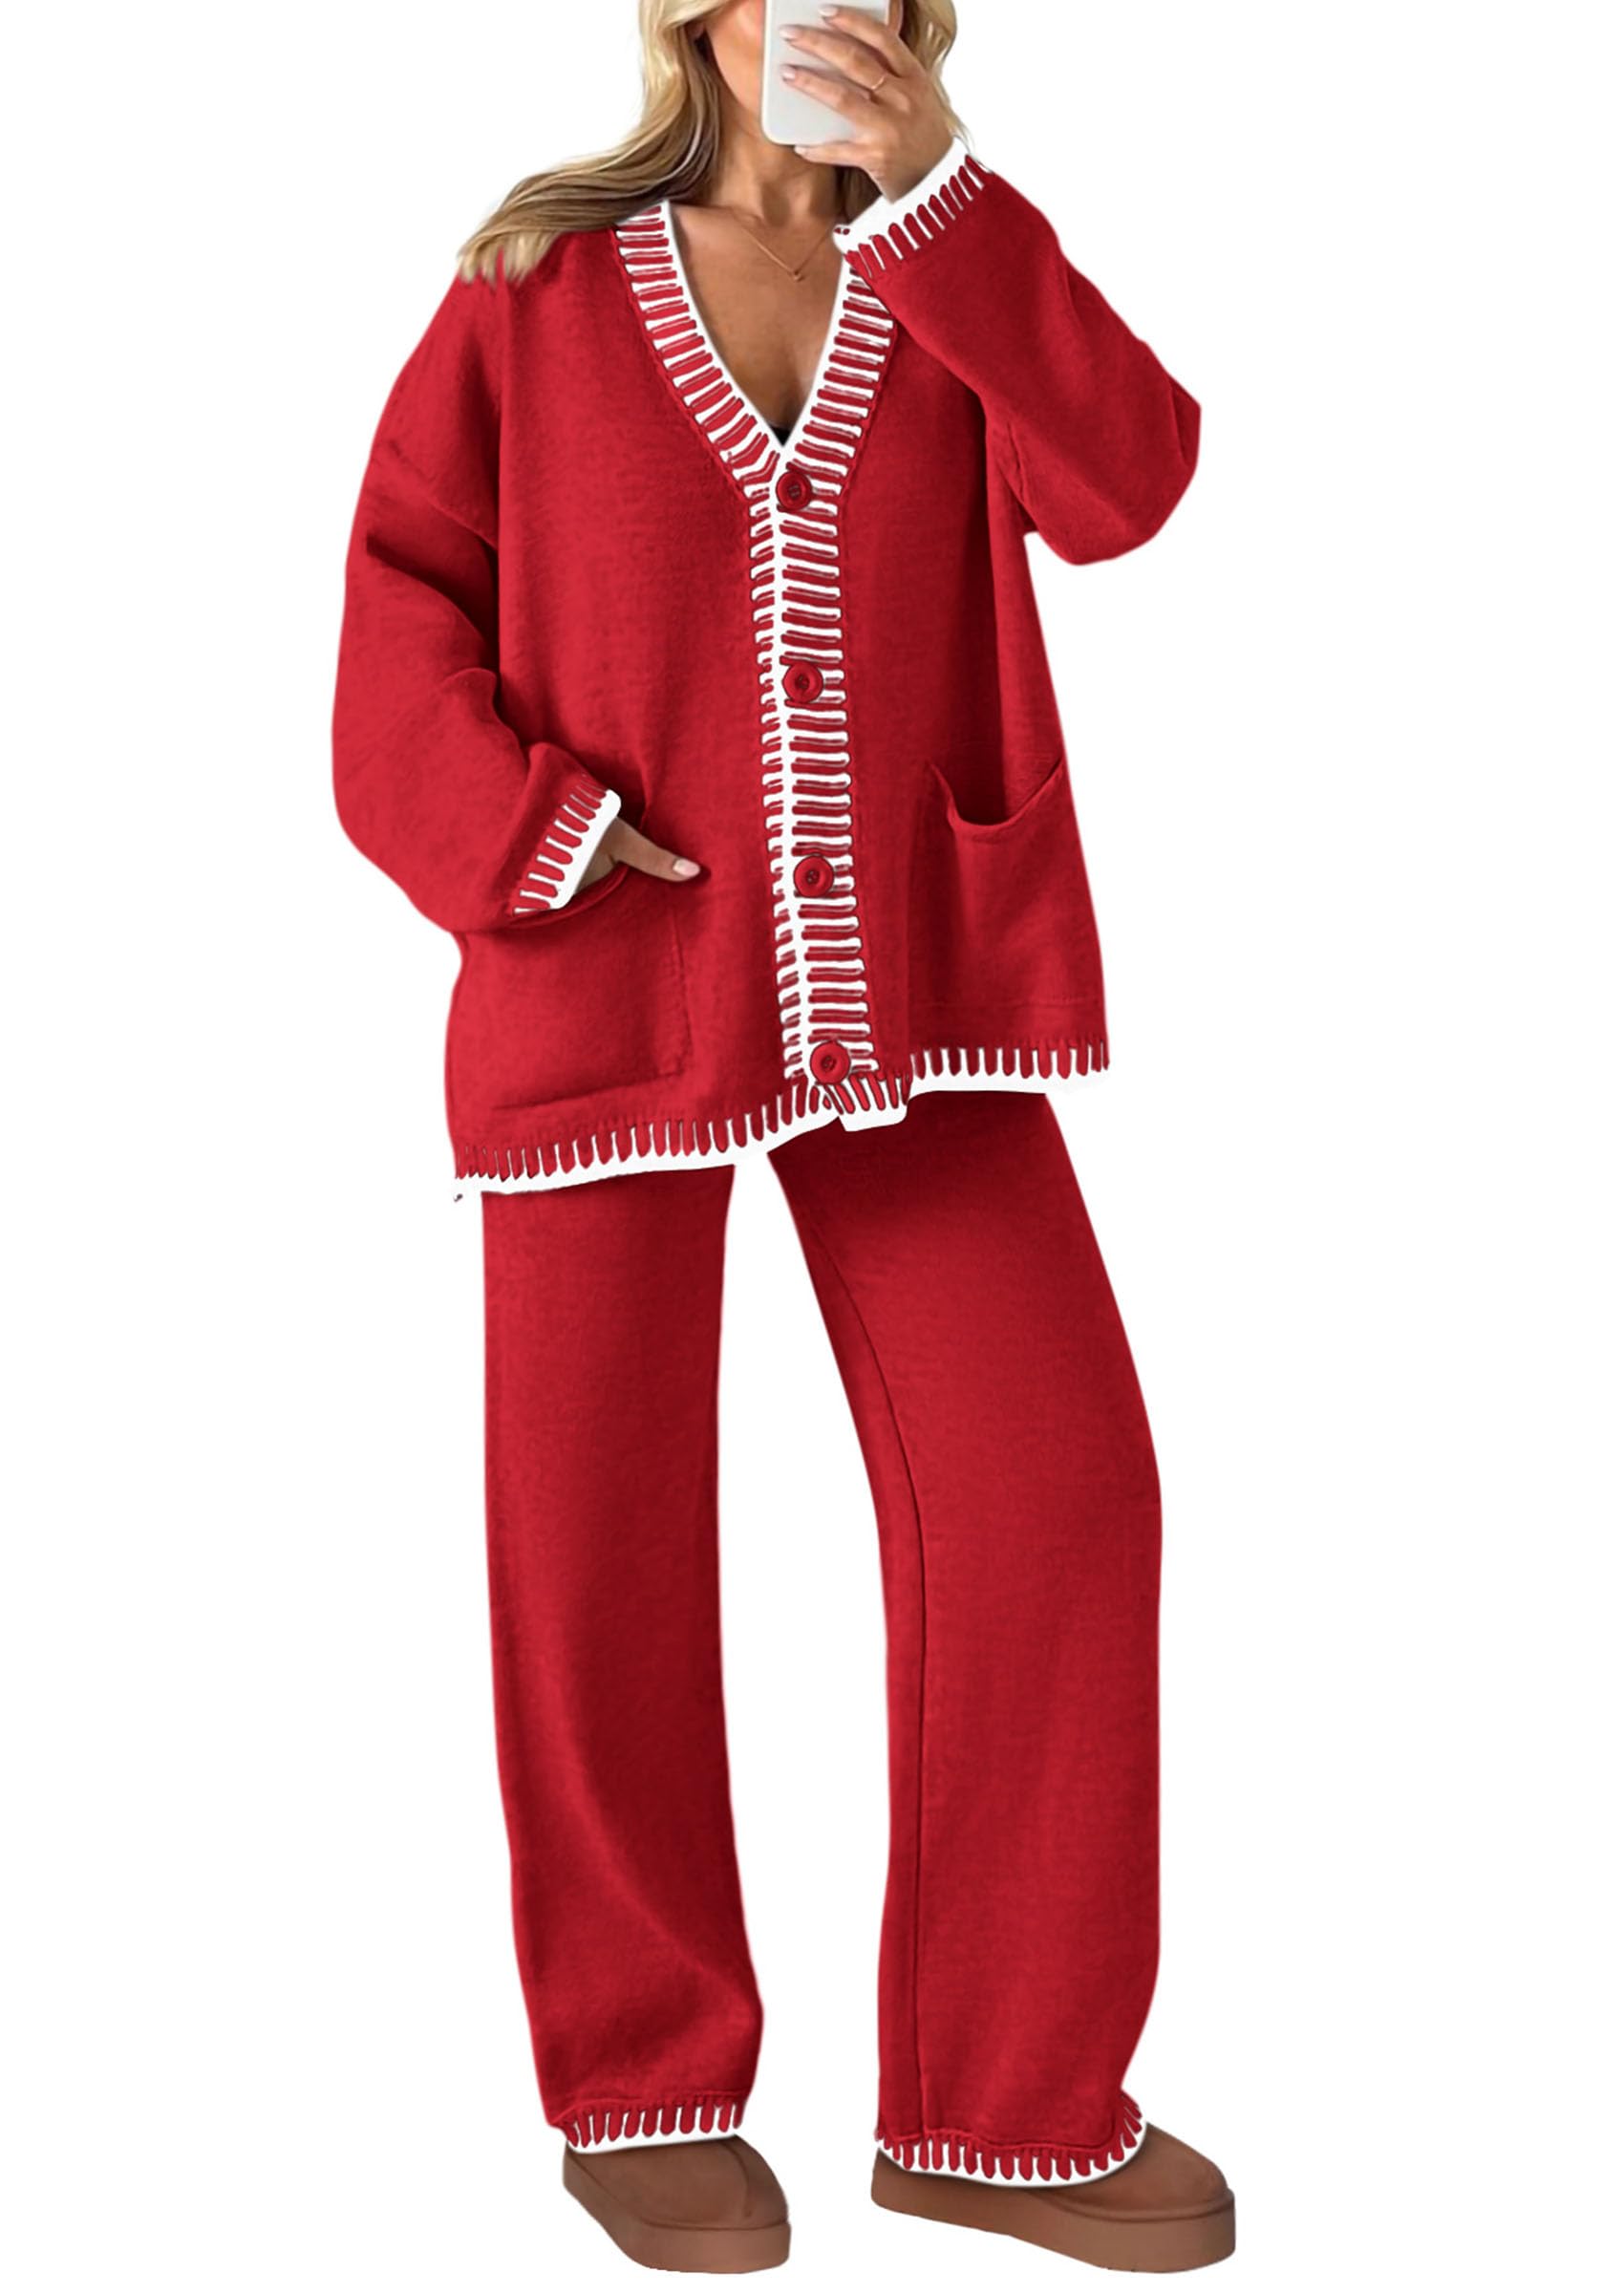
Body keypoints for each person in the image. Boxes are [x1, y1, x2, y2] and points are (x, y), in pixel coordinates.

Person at [331, 0, 1229, 2273]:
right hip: (600, 985)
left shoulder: (948, 275)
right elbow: (390, 620)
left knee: (1058, 1492)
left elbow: (1129, 486)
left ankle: (1002, 2103)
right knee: (599, 1549)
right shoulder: (529, 293)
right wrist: (530, 834)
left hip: (912, 983)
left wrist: (944, 199)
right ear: (692, 17)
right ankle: (636, 2080)